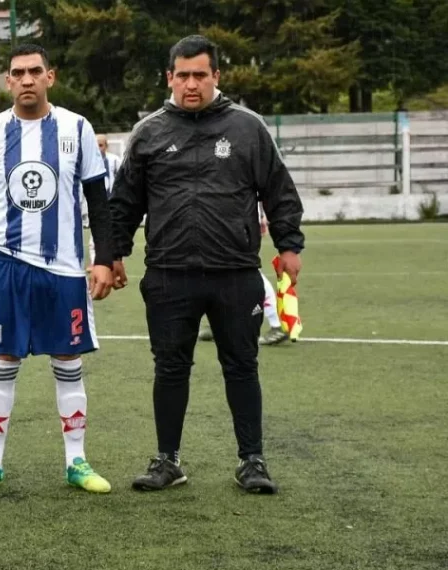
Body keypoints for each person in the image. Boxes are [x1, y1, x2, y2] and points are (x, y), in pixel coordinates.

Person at [109, 35, 305, 494]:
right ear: (169, 78)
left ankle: (252, 461)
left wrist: (289, 245)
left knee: (242, 365)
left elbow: (279, 191)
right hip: (168, 274)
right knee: (170, 368)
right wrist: (113, 254)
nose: (191, 84)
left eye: (201, 74)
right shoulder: (149, 131)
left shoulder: (247, 128)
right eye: (183, 75)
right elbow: (124, 203)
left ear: (217, 76)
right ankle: (168, 460)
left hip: (235, 273)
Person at [0, 43, 115, 494]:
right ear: (7, 81)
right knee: (3, 360)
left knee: (68, 359)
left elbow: (98, 200)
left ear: (50, 77)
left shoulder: (77, 128)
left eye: (34, 71)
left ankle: (77, 461)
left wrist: (103, 258)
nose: (26, 79)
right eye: (18, 72)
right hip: (5, 264)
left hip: (63, 268)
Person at [200, 207, 290, 346]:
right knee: (222, 273)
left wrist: (259, 215)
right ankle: (221, 324)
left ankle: (277, 325)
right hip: (226, 219)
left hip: (235, 222)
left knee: (246, 272)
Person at [88, 134, 123, 267]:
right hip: (97, 204)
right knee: (94, 236)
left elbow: (122, 179)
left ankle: (116, 264)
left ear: (106, 146)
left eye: (101, 145)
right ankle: (94, 263)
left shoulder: (114, 160)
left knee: (114, 234)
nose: (98, 148)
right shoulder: (89, 161)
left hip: (112, 203)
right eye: (96, 145)